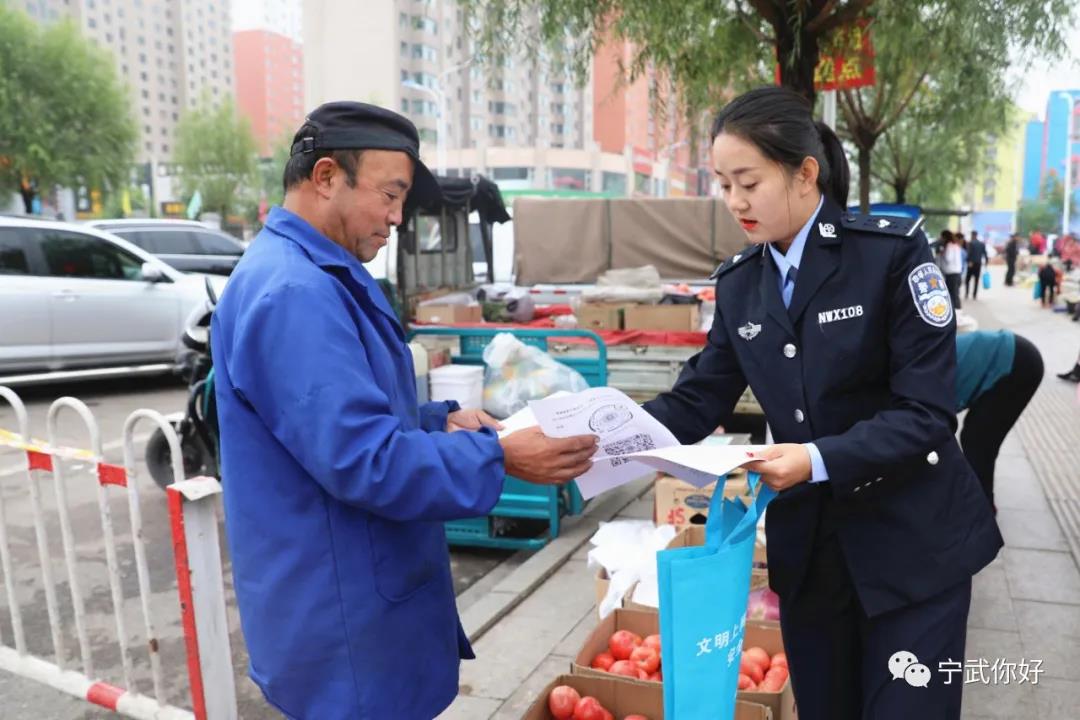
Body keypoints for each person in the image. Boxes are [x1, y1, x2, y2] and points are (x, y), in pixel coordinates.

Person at [210, 102, 599, 719]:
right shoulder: (294, 293)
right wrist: (497, 456)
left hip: (353, 593)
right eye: (389, 195)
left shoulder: (319, 271)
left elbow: (348, 419)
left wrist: (438, 421)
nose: (396, 217)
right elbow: (364, 459)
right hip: (340, 614)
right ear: (326, 177)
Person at [642, 86, 1001, 720]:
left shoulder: (889, 255)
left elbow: (926, 413)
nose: (735, 202)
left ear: (805, 173)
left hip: (913, 545)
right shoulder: (741, 283)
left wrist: (813, 459)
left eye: (749, 182)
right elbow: (699, 397)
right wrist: (604, 433)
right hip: (812, 555)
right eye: (723, 185)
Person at [956, 331, 1043, 509]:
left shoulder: (914, 388)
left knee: (977, 443)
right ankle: (978, 503)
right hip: (1014, 353)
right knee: (976, 439)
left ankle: (982, 511)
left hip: (1017, 362)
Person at [942, 230, 965, 309]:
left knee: (952, 294)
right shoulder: (956, 245)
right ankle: (958, 310)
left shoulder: (949, 246)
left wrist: (943, 254)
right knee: (955, 294)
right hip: (957, 273)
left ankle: (957, 310)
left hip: (951, 273)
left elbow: (948, 259)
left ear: (945, 237)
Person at [965, 230, 988, 300]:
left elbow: (969, 253)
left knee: (967, 280)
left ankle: (967, 293)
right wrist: (986, 263)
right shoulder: (981, 244)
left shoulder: (971, 243)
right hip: (978, 264)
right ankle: (974, 295)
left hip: (971, 264)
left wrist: (968, 261)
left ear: (972, 235)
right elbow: (985, 254)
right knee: (976, 280)